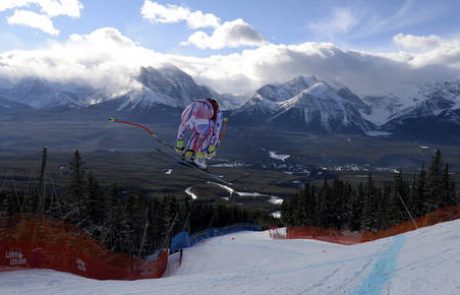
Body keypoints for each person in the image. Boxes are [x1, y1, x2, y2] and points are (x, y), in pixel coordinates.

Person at [175, 98, 224, 169]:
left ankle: (189, 153)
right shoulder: (218, 113)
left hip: (187, 113)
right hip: (203, 122)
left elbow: (182, 126)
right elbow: (216, 131)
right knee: (208, 132)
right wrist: (211, 148)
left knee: (197, 132)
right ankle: (199, 158)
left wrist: (179, 144)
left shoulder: (199, 104)